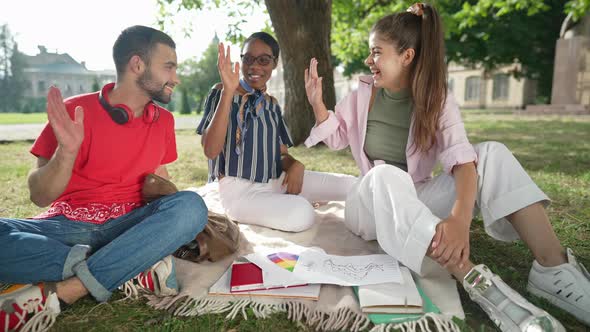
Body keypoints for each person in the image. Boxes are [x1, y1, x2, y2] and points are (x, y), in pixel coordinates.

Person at [303, 3, 589, 331]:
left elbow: (462, 160)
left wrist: (458, 220)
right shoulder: (360, 91)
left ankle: (553, 268)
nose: (369, 61)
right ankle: (476, 280)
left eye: (376, 52)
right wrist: (318, 106)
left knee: (492, 153)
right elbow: (337, 138)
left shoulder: (436, 97)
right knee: (385, 175)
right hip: (368, 204)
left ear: (407, 56)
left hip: (417, 193)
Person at [0, 25, 208, 331]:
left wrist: (172, 217)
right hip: (67, 227)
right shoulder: (73, 111)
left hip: (130, 226)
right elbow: (39, 195)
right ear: (137, 65)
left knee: (191, 206)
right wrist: (67, 153)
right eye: (169, 66)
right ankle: (131, 266)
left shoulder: (164, 121)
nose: (175, 78)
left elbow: (162, 181)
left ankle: (72, 288)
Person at [196, 32, 354, 233]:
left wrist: (294, 164)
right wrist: (228, 92)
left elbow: (280, 153)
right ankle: (285, 203)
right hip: (239, 192)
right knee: (302, 214)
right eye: (248, 59)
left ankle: (281, 201)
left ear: (275, 63)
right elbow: (210, 150)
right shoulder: (221, 91)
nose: (254, 66)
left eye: (263, 60)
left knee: (351, 185)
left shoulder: (271, 104)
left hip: (276, 179)